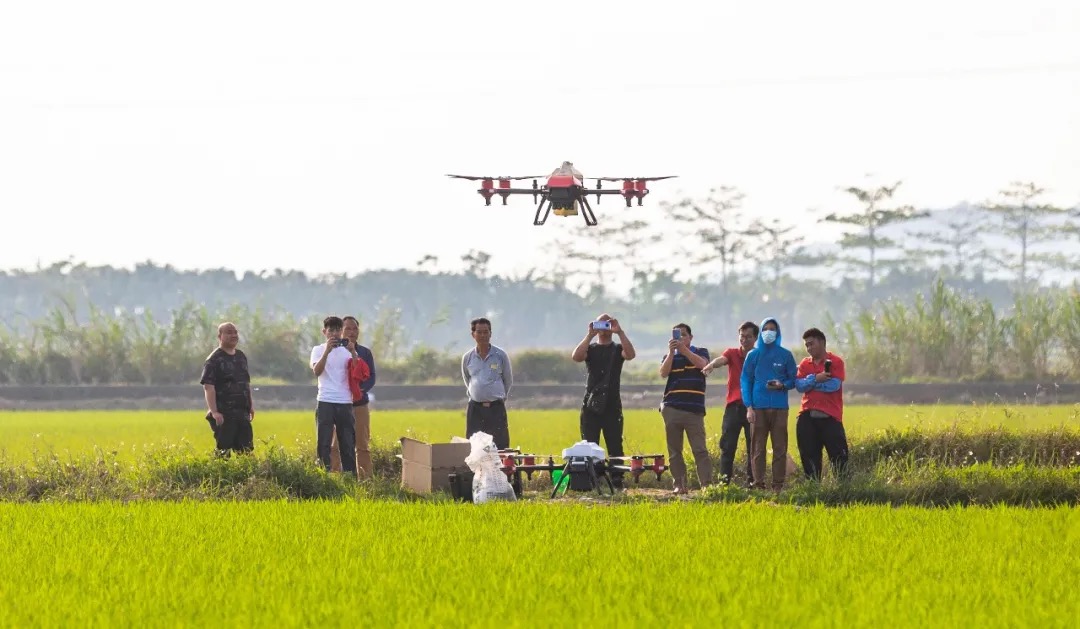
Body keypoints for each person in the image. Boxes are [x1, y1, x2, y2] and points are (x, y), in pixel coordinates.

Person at [571, 313, 637, 488]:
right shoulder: (590, 349)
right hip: (591, 404)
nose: (605, 328)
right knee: (589, 444)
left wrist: (620, 332)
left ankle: (617, 480)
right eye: (602, 324)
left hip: (612, 404)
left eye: (608, 324)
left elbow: (630, 355)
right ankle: (593, 478)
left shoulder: (617, 349)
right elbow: (576, 357)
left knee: (615, 443)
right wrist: (590, 335)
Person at [740, 317, 798, 491]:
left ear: (778, 332)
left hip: (780, 407)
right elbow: (745, 380)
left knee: (780, 447)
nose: (768, 332)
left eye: (772, 329)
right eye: (765, 329)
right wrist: (749, 406)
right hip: (758, 407)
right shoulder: (753, 355)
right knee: (758, 447)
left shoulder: (786, 355)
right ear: (761, 332)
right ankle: (758, 484)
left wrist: (783, 385)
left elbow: (793, 379)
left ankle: (778, 486)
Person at [702, 320, 759, 486]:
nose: (744, 339)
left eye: (749, 337)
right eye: (742, 336)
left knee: (753, 447)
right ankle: (724, 483)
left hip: (754, 408)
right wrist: (711, 365)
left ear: (755, 338)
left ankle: (752, 482)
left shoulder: (758, 356)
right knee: (727, 445)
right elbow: (722, 359)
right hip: (734, 407)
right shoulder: (733, 353)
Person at [658, 323, 712, 494]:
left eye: (683, 335)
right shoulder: (669, 355)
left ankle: (706, 485)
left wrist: (684, 351)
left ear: (691, 337)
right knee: (674, 450)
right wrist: (672, 353)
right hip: (672, 407)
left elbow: (703, 365)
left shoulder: (701, 351)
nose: (680, 338)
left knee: (700, 449)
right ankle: (679, 484)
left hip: (693, 410)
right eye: (677, 335)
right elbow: (663, 373)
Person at [794, 327, 849, 480]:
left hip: (830, 416)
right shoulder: (805, 364)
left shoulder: (836, 362)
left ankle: (843, 490)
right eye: (807, 345)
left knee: (839, 457)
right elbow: (799, 386)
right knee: (809, 456)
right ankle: (814, 490)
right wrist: (816, 378)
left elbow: (833, 386)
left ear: (822, 342)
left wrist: (810, 383)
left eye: (811, 344)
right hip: (807, 414)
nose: (809, 348)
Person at [329, 315, 377, 479]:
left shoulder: (364, 352)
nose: (351, 332)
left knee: (362, 445)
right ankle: (334, 480)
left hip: (359, 405)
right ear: (340, 331)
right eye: (347, 328)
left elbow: (371, 378)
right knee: (334, 446)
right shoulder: (334, 351)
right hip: (339, 404)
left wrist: (357, 391)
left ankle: (366, 481)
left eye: (355, 328)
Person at [199, 321, 255, 456]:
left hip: (242, 413)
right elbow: (208, 387)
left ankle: (246, 477)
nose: (234, 335)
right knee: (223, 452)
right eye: (229, 332)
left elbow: (245, 384)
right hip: (224, 414)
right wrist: (214, 412)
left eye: (235, 332)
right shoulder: (214, 359)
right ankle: (220, 477)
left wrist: (250, 406)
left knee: (246, 451)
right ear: (220, 336)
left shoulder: (241, 357)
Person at [310, 316, 356, 474]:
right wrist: (327, 352)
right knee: (323, 443)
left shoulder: (347, 350)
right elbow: (317, 371)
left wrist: (353, 352)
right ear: (324, 332)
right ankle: (323, 477)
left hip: (345, 402)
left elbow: (358, 373)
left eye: (338, 330)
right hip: (325, 401)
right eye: (331, 330)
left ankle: (350, 479)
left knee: (348, 444)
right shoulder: (318, 349)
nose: (335, 334)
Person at [461, 317, 513, 450]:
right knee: (474, 447)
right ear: (473, 334)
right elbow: (468, 379)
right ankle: (478, 471)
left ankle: (500, 471)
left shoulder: (500, 355)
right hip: (475, 409)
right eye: (479, 332)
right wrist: (478, 393)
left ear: (491, 333)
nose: (483, 335)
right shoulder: (468, 357)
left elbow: (508, 380)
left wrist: (498, 396)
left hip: (496, 408)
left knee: (500, 445)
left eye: (486, 332)